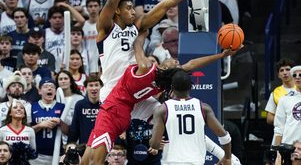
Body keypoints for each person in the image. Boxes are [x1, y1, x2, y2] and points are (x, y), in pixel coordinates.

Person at [84, 30, 237, 165]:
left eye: (175, 63)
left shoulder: (146, 69)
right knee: (168, 115)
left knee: (169, 117)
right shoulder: (165, 79)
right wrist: (221, 55)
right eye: (176, 62)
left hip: (123, 100)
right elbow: (191, 65)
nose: (176, 61)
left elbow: (137, 46)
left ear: (163, 67)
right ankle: (226, 157)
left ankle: (166, 139)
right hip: (126, 101)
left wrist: (141, 33)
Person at [96, 0, 222, 102]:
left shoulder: (138, 26)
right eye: (128, 8)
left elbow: (166, 3)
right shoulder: (106, 28)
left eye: (133, 8)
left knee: (161, 114)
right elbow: (110, 2)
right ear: (117, 10)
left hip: (135, 87)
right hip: (113, 90)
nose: (132, 11)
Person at [149, 69, 232, 165]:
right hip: (196, 161)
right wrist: (227, 157)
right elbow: (225, 137)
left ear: (172, 87)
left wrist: (153, 142)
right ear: (191, 87)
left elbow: (154, 144)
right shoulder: (203, 108)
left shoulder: (162, 109)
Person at [30, 78, 66, 165]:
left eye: (52, 87)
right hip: (37, 154)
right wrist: (40, 125)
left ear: (55, 91)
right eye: (46, 86)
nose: (49, 88)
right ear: (39, 91)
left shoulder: (62, 107)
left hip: (57, 153)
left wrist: (60, 123)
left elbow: (70, 131)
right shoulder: (31, 107)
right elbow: (26, 131)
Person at [68, 75, 102, 144]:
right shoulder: (80, 105)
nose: (94, 88)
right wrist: (70, 144)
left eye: (96, 85)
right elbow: (74, 129)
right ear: (86, 88)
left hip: (101, 145)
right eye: (91, 85)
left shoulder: (105, 104)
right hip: (84, 146)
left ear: (101, 87)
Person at [265, 58, 295, 126]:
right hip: (284, 133)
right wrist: (287, 120)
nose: (285, 73)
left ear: (294, 72)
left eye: (288, 69)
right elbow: (269, 119)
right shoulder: (275, 93)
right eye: (281, 70)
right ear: (279, 75)